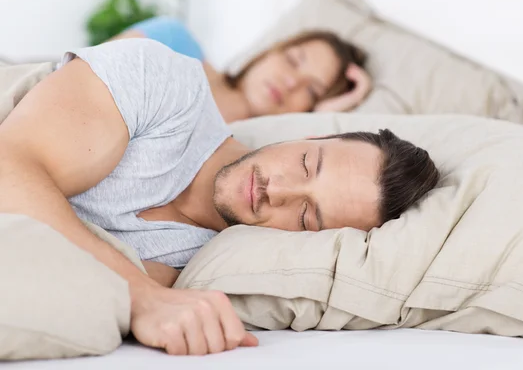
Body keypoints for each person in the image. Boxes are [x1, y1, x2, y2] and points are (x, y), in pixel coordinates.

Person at [0, 39, 439, 356]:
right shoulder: (165, 83)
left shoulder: (201, 266)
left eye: (306, 216)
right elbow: (7, 164)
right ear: (310, 133)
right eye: (307, 163)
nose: (278, 191)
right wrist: (142, 297)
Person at [111, 16, 372, 122]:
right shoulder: (173, 40)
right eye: (293, 61)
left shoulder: (248, 154)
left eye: (312, 91)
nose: (292, 83)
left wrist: (326, 115)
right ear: (271, 52)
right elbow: (84, 77)